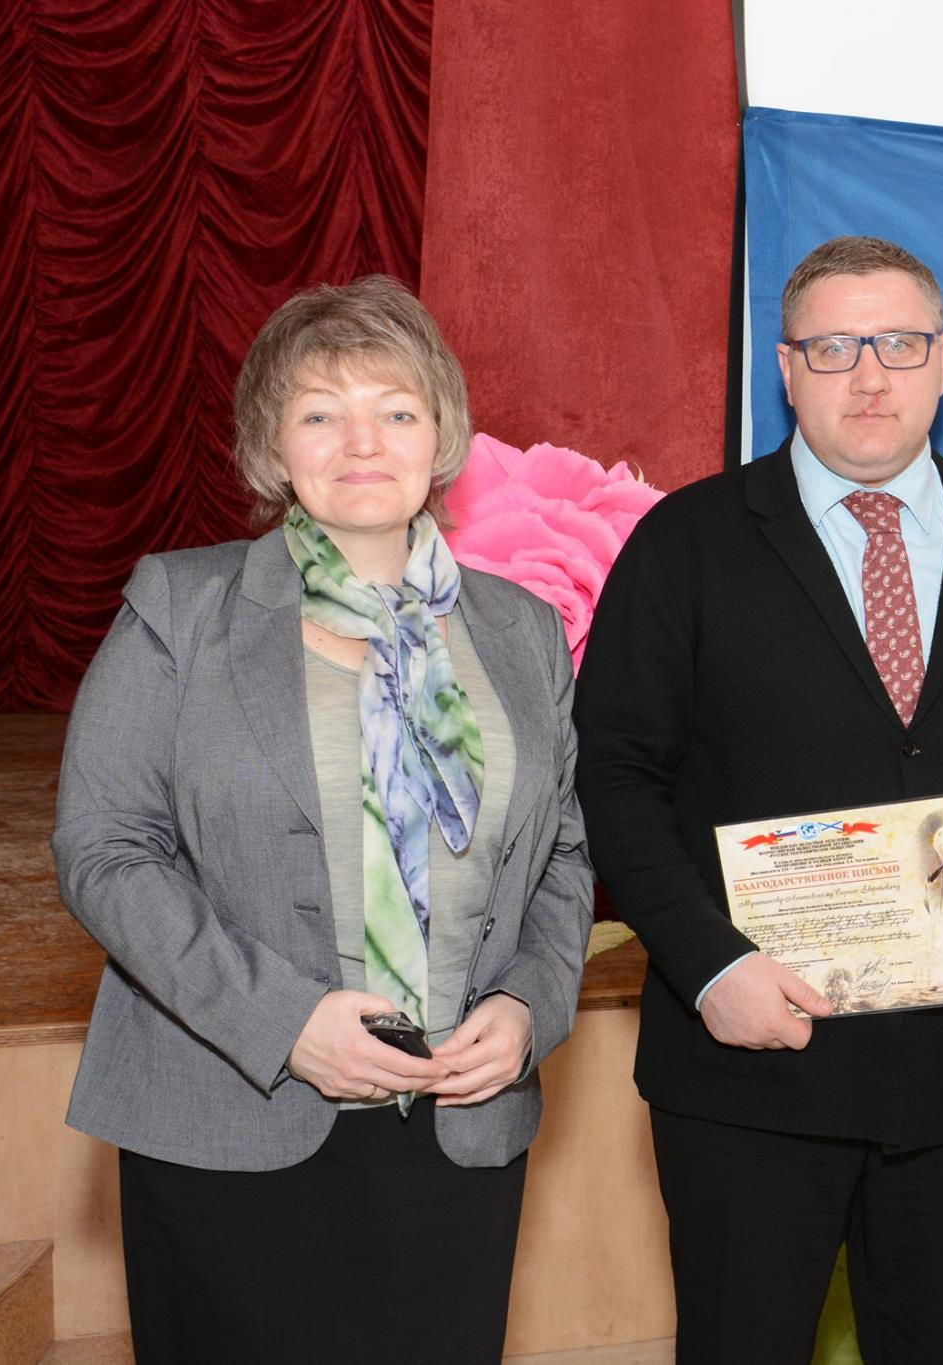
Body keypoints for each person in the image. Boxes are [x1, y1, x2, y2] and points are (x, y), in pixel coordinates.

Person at [574, 235, 943, 1364]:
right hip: (747, 1060)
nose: (870, 376)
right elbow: (612, 776)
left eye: (899, 344)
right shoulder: (686, 544)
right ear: (787, 369)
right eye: (834, 348)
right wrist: (710, 966)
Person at [52, 276, 593, 1364]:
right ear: (271, 444)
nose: (362, 442)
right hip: (230, 1118)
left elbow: (562, 858)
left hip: (457, 1132)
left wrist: (530, 1005)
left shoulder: (522, 631)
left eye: (395, 409)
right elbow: (106, 849)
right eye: (319, 413)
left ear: (439, 435)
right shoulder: (181, 608)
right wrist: (284, 1022)